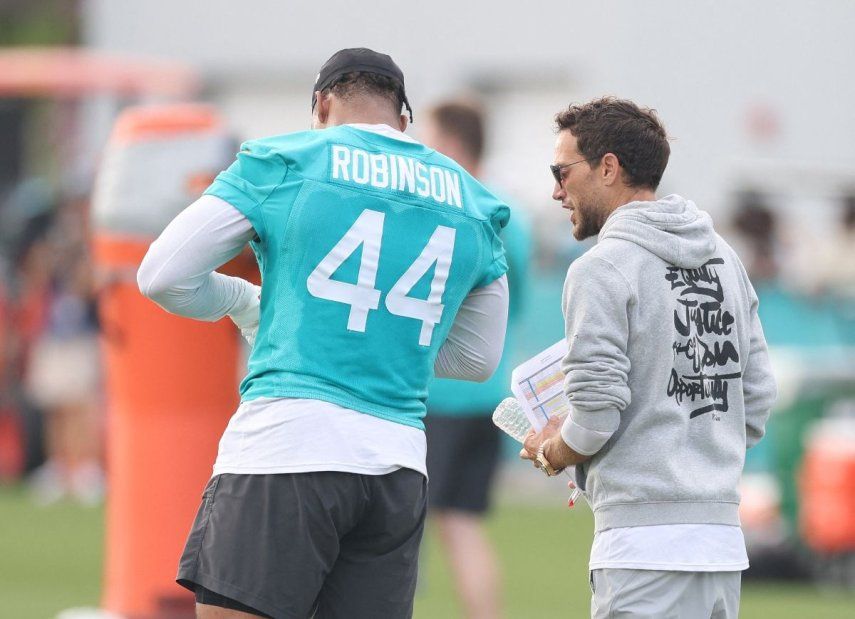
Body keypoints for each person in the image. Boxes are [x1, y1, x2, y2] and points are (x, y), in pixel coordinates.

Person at [137, 48, 511, 619]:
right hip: (397, 463)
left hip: (288, 442)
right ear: (404, 119)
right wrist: (387, 339)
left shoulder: (286, 159)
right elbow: (480, 358)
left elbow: (162, 274)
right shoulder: (474, 201)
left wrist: (243, 301)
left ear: (321, 104)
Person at [520, 97, 777, 618]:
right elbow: (757, 398)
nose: (555, 190)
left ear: (608, 168)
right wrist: (697, 454)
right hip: (721, 547)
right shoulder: (725, 259)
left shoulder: (600, 268)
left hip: (641, 551)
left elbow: (594, 419)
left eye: (561, 170)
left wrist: (554, 450)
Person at [419, 100, 531, 619]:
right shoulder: (515, 216)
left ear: (456, 146)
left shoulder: (444, 207)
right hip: (487, 392)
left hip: (437, 391)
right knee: (462, 524)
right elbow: (513, 305)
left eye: (433, 140)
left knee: (394, 529)